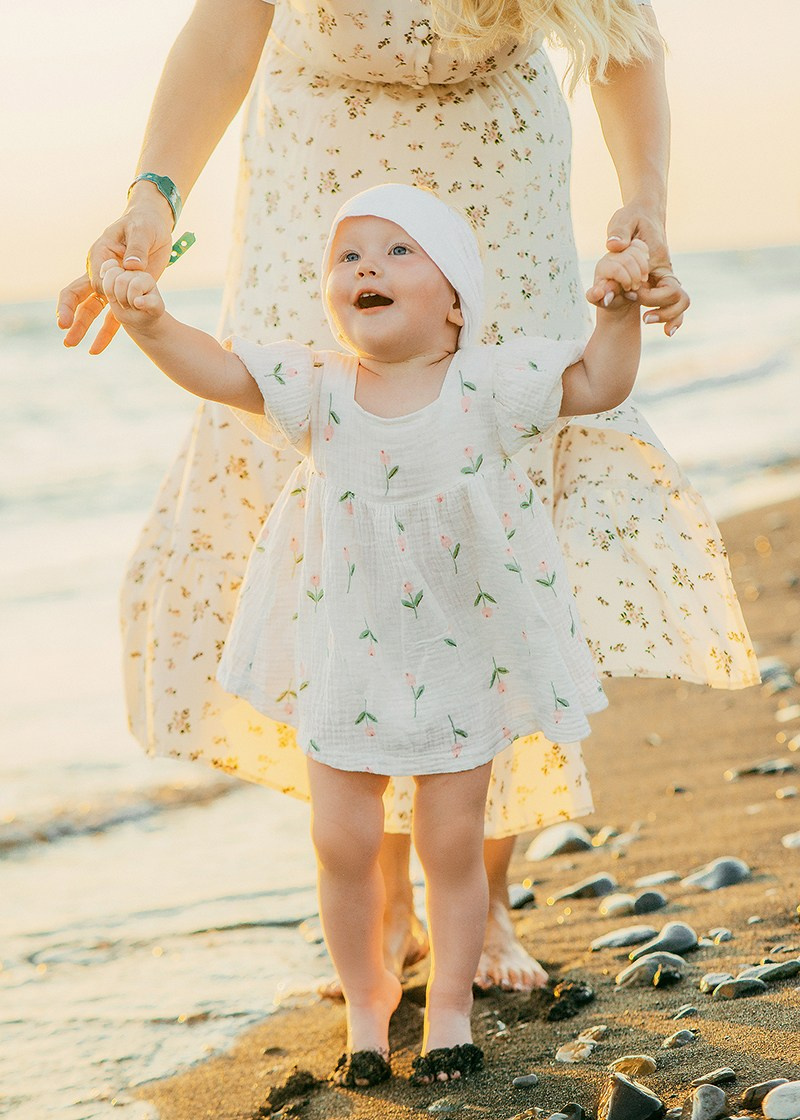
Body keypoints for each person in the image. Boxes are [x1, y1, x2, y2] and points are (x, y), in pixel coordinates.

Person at [57, 0, 756, 996]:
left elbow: (618, 31)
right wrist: (156, 194)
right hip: (319, 157)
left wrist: (642, 197)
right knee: (333, 489)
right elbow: (226, 28)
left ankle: (483, 889)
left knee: (491, 495)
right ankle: (376, 899)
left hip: (492, 164)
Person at [98, 181, 656, 1084]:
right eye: (349, 255)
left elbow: (597, 382)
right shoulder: (318, 387)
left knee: (451, 846)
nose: (366, 266)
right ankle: (367, 1009)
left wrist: (620, 306)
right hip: (346, 655)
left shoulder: (484, 383)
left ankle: (448, 1010)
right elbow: (218, 368)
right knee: (342, 843)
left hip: (459, 655)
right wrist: (151, 322)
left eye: (399, 251)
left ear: (456, 300)